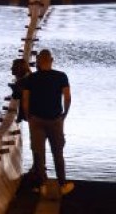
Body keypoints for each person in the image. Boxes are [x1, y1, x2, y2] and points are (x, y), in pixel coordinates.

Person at [21, 49, 74, 195]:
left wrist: (28, 117)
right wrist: (64, 114)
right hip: (55, 119)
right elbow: (67, 98)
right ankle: (62, 184)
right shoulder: (61, 76)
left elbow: (25, 101)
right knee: (57, 152)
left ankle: (41, 185)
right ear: (51, 60)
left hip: (36, 120)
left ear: (38, 61)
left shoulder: (30, 79)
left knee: (38, 153)